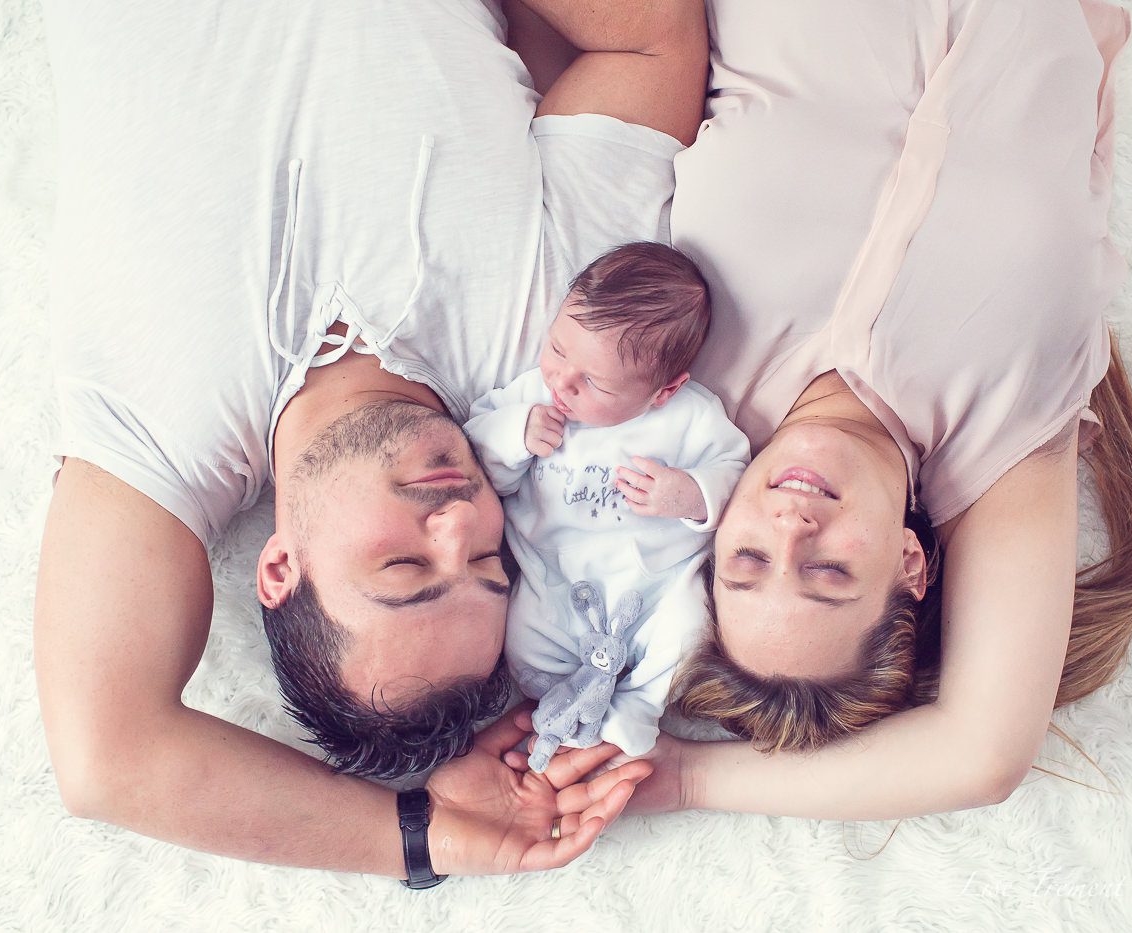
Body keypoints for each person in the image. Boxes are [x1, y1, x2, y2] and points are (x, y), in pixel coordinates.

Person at [34, 0, 707, 877]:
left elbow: (104, 762)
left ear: (278, 568)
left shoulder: (166, 430)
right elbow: (650, 36)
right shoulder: (557, 344)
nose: (463, 524)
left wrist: (421, 838)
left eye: (406, 570)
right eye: (491, 567)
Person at [512, 0, 1132, 822]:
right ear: (910, 566)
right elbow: (984, 754)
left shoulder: (670, 365)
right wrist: (689, 779)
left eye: (747, 560)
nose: (790, 526)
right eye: (829, 572)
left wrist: (645, 759)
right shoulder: (1004, 432)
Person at [464, 242, 750, 763]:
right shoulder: (530, 396)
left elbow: (736, 477)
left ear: (664, 391)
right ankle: (561, 700)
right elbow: (477, 461)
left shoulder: (693, 417)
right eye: (556, 349)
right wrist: (514, 435)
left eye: (592, 382)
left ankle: (638, 707)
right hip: (557, 580)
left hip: (656, 587)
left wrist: (688, 493)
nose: (561, 382)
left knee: (687, 633)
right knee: (524, 643)